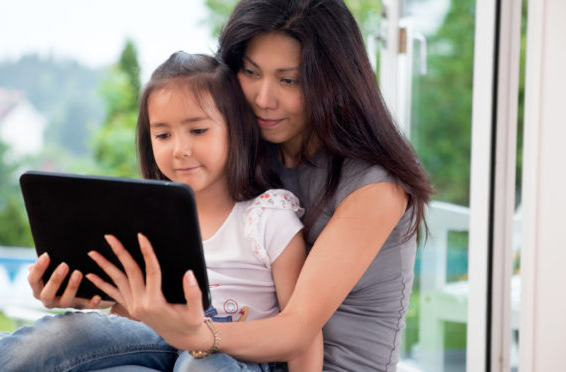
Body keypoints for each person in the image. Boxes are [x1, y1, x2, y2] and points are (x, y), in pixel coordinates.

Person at [87, 0, 433, 371]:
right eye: (251, 73)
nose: (263, 100)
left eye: (289, 80)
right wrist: (90, 294)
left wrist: (200, 336)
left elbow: (297, 329)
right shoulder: (246, 156)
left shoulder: (375, 187)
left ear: (334, 83)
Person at [0, 51, 322, 372]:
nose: (179, 149)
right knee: (67, 333)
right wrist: (79, 293)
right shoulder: (145, 219)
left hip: (237, 358)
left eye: (197, 130)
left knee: (203, 362)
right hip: (155, 344)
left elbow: (302, 334)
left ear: (236, 130)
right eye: (163, 135)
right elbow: (126, 321)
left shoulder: (268, 217)